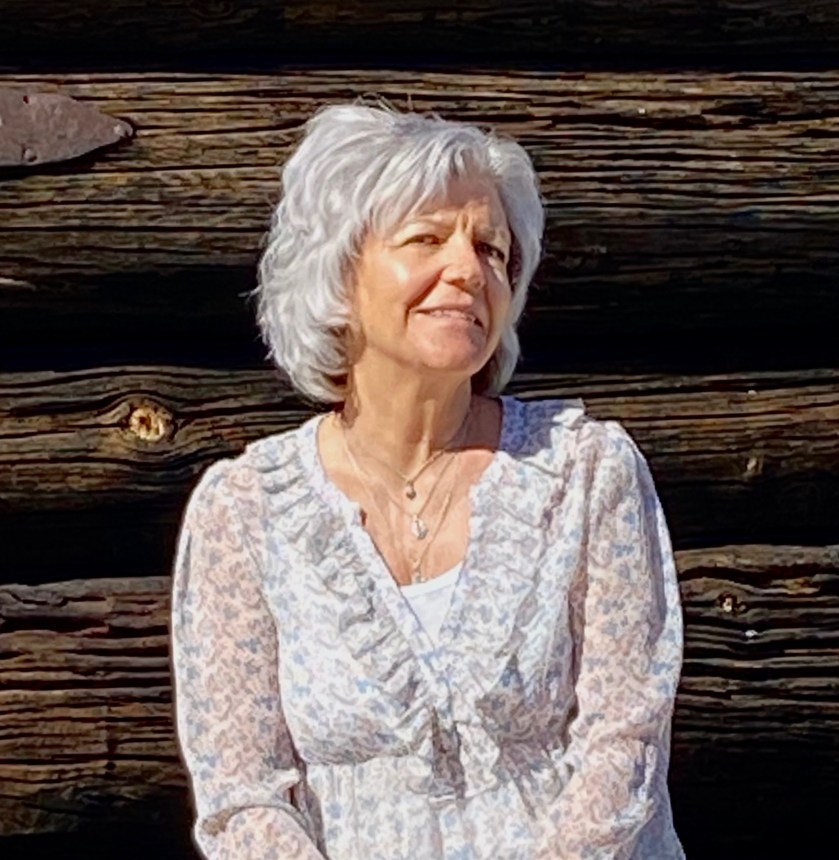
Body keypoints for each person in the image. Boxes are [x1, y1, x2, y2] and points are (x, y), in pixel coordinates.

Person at [170, 101, 686, 860]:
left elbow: (625, 744)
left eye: (491, 249)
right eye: (425, 238)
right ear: (339, 271)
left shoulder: (584, 472)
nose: (468, 270)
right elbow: (241, 796)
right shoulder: (245, 511)